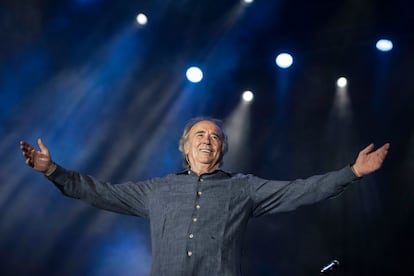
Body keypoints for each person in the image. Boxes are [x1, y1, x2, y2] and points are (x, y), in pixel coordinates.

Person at [20, 117, 390, 276]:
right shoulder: (158, 189)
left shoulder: (243, 187)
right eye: (200, 134)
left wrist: (353, 172)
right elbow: (98, 192)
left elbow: (300, 191)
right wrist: (54, 170)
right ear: (186, 147)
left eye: (214, 137)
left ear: (221, 148)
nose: (207, 140)